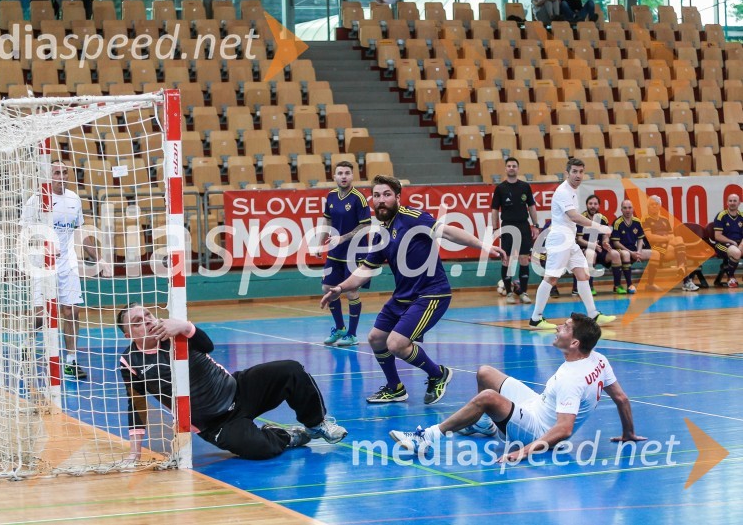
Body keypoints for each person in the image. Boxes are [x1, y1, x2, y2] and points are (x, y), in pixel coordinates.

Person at [320, 175, 507, 405]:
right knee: (376, 338)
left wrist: (483, 245)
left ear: (398, 197)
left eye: (387, 195)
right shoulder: (381, 234)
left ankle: (438, 374)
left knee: (396, 344)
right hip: (403, 296)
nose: (381, 200)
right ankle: (395, 388)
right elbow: (365, 270)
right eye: (376, 195)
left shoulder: (412, 217)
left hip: (431, 293)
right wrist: (340, 288)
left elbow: (447, 231)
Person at [390, 313, 646, 461]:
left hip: (537, 431)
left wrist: (524, 452)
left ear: (575, 343)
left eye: (565, 327)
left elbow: (564, 429)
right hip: (537, 405)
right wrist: (629, 433)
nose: (558, 327)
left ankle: (427, 437)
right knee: (485, 373)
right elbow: (621, 399)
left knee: (487, 397)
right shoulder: (598, 359)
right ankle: (485, 425)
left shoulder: (572, 378)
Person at [118, 303, 348, 461]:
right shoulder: (130, 362)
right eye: (137, 321)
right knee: (261, 450)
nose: (147, 321)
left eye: (148, 314)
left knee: (290, 370)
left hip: (238, 389)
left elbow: (207, 346)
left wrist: (185, 326)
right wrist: (134, 453)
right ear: (128, 334)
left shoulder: (176, 333)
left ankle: (316, 424)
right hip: (215, 424)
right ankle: (286, 436)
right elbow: (137, 406)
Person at [21, 160, 110, 380]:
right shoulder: (35, 201)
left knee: (71, 311)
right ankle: (26, 345)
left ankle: (70, 361)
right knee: (41, 315)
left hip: (67, 264)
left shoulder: (74, 199)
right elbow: (24, 234)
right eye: (57, 173)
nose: (62, 176)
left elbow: (81, 234)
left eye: (65, 172)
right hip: (42, 265)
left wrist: (100, 260)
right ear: (48, 176)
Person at [529, 159, 616, 330]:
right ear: (567, 173)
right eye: (574, 171)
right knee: (551, 278)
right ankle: (536, 319)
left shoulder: (573, 191)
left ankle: (593, 314)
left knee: (583, 275)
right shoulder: (563, 191)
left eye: (581, 172)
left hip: (570, 240)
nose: (578, 175)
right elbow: (574, 217)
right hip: (560, 240)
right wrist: (600, 227)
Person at [316, 161, 372, 347]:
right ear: (334, 176)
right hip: (335, 251)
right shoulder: (331, 196)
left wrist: (343, 238)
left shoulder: (358, 198)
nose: (344, 176)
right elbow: (327, 221)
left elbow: (365, 225)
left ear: (352, 176)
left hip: (355, 252)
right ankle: (340, 328)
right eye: (340, 173)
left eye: (347, 173)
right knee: (328, 288)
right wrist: (320, 244)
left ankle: (352, 334)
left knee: (350, 291)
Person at [491, 157, 540, 305]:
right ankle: (509, 293)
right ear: (506, 169)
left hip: (523, 226)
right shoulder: (500, 188)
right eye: (509, 166)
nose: (511, 168)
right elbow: (494, 210)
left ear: (518, 169)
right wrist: (495, 228)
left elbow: (531, 207)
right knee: (507, 259)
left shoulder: (525, 186)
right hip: (507, 226)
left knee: (524, 259)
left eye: (514, 166)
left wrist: (536, 225)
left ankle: (523, 292)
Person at [572, 194, 628, 295]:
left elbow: (605, 236)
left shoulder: (603, 219)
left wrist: (605, 242)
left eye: (595, 204)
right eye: (590, 204)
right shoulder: (581, 218)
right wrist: (591, 245)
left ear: (599, 206)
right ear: (586, 205)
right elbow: (579, 240)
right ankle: (590, 287)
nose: (593, 206)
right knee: (591, 254)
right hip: (586, 249)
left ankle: (617, 286)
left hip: (600, 249)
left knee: (615, 254)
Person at [643, 195, 699, 292]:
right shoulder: (645, 220)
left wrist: (667, 240)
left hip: (668, 247)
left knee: (679, 240)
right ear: (648, 206)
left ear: (660, 206)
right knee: (681, 252)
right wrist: (666, 238)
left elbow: (672, 236)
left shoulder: (665, 219)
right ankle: (686, 281)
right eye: (652, 204)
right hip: (656, 249)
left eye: (656, 204)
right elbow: (650, 237)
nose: (654, 206)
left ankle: (681, 269)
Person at [611, 199, 661, 292]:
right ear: (621, 210)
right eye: (625, 208)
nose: (627, 210)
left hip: (634, 250)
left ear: (633, 209)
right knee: (626, 254)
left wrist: (638, 252)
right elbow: (616, 243)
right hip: (620, 250)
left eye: (629, 208)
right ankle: (630, 285)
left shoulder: (637, 222)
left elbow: (640, 239)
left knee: (656, 254)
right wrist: (631, 253)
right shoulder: (617, 223)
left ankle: (650, 284)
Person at [713, 193, 743, 288]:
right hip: (723, 244)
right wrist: (732, 242)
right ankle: (731, 277)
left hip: (739, 243)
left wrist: (741, 244)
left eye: (735, 201)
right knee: (736, 252)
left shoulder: (742, 216)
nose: (732, 203)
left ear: (739, 203)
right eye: (730, 201)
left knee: (738, 250)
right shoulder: (721, 215)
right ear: (727, 203)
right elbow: (718, 236)